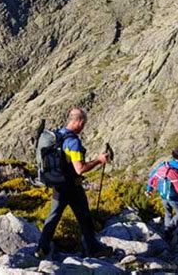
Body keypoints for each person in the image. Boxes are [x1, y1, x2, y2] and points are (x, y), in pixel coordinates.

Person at [35, 107, 112, 258]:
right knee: (85, 218)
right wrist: (99, 160)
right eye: (83, 123)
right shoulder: (73, 141)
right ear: (79, 121)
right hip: (72, 187)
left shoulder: (59, 135)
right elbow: (80, 169)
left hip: (59, 185)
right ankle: (93, 248)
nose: (84, 126)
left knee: (53, 216)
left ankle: (41, 249)